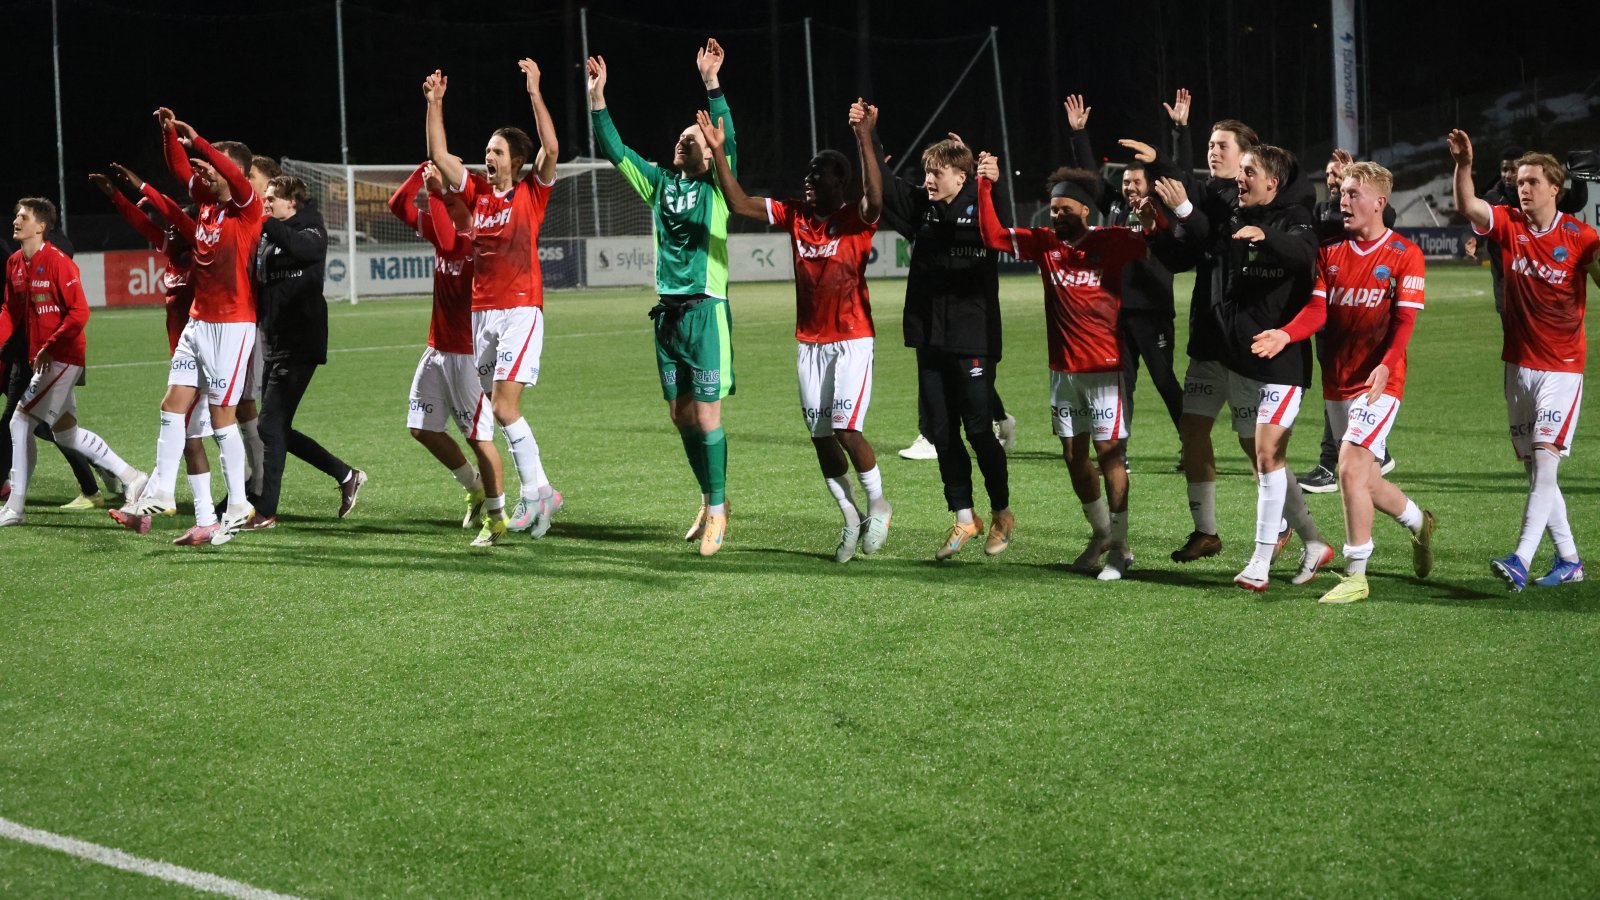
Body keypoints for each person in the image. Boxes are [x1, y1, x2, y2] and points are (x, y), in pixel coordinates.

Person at [698, 99, 892, 563]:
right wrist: (719, 151)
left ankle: (878, 504)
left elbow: (876, 197)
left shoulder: (856, 219)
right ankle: (849, 516)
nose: (809, 179)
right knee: (821, 436)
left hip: (852, 339)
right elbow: (739, 202)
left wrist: (864, 137)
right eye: (808, 172)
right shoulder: (794, 215)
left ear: (839, 183)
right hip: (809, 343)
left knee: (847, 429)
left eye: (819, 173)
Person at [1150, 144, 1334, 592]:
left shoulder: (1295, 217)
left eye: (1249, 171)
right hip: (1240, 359)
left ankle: (1261, 560)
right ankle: (1312, 540)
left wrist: (1264, 236)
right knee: (1268, 459)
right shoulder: (1233, 217)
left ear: (1272, 181)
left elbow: (1303, 254)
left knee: (1266, 457)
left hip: (1282, 363)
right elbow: (1199, 241)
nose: (1240, 178)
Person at [1251, 161, 1436, 603]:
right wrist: (1286, 334)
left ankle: (1356, 573)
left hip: (1379, 382)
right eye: (1342, 193)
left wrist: (1387, 365)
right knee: (1365, 480)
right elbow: (1318, 310)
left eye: (1354, 194)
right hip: (1338, 380)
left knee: (1349, 467)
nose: (1343, 201)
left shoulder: (1404, 253)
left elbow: (1404, 322)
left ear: (1379, 202)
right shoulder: (1330, 252)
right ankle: (1418, 521)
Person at [588, 40, 737, 556]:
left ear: (710, 150)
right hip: (667, 319)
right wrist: (598, 100)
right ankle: (711, 496)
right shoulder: (658, 183)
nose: (682, 138)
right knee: (680, 416)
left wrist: (712, 85)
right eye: (682, 135)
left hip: (705, 312)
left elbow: (729, 141)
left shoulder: (719, 188)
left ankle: (717, 512)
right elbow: (617, 152)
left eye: (692, 137)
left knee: (708, 416)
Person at [976, 156, 1148, 580]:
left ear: (1085, 210)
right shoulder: (1043, 244)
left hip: (1105, 369)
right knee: (1073, 456)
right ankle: (1102, 533)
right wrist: (985, 186)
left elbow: (1150, 239)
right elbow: (992, 235)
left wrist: (1152, 216)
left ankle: (1120, 547)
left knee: (1110, 455)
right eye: (1053, 209)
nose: (1056, 216)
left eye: (1065, 209)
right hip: (1062, 372)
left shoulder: (1110, 241)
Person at [1450, 130, 1600, 590]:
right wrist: (1463, 165)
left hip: (1561, 368)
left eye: (1533, 181)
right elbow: (1467, 205)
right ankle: (1570, 560)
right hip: (1517, 366)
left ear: (1555, 188)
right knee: (1536, 471)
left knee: (1545, 462)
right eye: (1519, 182)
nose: (1523, 188)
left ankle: (1521, 557)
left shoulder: (1580, 237)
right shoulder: (1509, 224)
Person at [425, 61, 562, 539]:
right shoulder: (479, 196)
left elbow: (551, 148)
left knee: (504, 408)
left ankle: (533, 493)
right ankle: (543, 491)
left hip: (521, 309)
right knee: (493, 405)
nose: (488, 156)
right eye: (486, 150)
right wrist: (435, 103)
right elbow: (439, 155)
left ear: (515, 161)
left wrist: (535, 92)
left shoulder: (531, 193)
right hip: (481, 315)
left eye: (497, 151)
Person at [113, 109, 261, 544]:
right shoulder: (208, 206)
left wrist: (199, 143)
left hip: (231, 326)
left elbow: (223, 169)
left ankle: (238, 502)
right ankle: (161, 490)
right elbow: (180, 170)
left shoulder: (246, 208)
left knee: (221, 418)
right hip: (198, 322)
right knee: (171, 405)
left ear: (233, 173)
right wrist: (168, 134)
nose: (204, 173)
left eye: (212, 168)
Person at [872, 123, 1012, 560]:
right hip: (930, 339)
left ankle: (1002, 512)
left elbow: (1001, 223)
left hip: (973, 338)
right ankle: (965, 517)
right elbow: (883, 183)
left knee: (979, 431)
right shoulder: (923, 209)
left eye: (938, 172)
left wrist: (991, 182)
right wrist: (868, 136)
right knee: (941, 434)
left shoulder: (982, 205)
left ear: (961, 177)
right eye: (927, 172)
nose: (929, 179)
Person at [91, 164, 220, 544]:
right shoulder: (174, 254)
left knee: (178, 425)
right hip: (183, 357)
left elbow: (177, 220)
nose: (165, 233)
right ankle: (204, 517)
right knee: (189, 438)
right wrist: (116, 196)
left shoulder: (199, 253)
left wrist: (144, 188)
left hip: (204, 358)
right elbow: (142, 224)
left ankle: (150, 503)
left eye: (173, 228)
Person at [1, 198, 147, 526]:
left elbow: (80, 312)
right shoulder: (14, 263)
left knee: (19, 421)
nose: (16, 221)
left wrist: (50, 346)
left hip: (63, 356)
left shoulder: (57, 262)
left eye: (23, 217)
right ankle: (133, 477)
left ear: (41, 226)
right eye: (16, 216)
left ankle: (15, 508)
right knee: (66, 435)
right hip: (44, 358)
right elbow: (10, 311)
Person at [234, 174, 364, 539]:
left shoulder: (311, 228)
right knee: (276, 428)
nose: (266, 203)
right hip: (274, 340)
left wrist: (264, 222)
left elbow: (304, 250)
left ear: (292, 202)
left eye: (271, 198)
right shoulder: (269, 235)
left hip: (301, 341)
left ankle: (265, 510)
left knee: (268, 425)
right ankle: (346, 474)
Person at [387, 160, 508, 547]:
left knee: (479, 438)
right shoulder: (446, 233)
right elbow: (397, 205)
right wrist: (421, 171)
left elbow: (445, 236)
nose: (444, 204)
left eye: (453, 201)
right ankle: (474, 486)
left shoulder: (477, 244)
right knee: (421, 428)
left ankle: (497, 518)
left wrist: (436, 191)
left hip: (468, 357)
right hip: (437, 349)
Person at [1063, 94, 1184, 459]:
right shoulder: (1116, 205)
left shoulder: (1161, 208)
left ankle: (1191, 446)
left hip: (1152, 312)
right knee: (1121, 384)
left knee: (1164, 381)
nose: (1130, 187)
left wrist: (1179, 130)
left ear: (1151, 184)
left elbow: (1176, 175)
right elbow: (1091, 179)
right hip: (1116, 313)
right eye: (1126, 181)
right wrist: (1079, 135)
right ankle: (1119, 452)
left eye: (1136, 182)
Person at [1298, 149, 1397, 493]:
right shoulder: (1321, 213)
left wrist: (1357, 179)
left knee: (1346, 387)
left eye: (1340, 175)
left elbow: (1388, 216)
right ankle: (1373, 452)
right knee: (1337, 388)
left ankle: (1330, 464)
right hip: (1328, 307)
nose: (1333, 179)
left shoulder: (1360, 217)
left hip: (1353, 309)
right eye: (1330, 174)